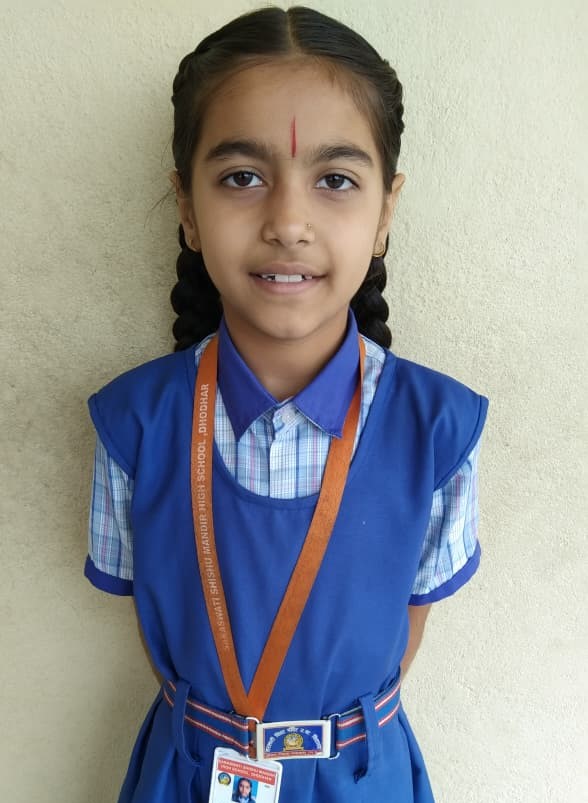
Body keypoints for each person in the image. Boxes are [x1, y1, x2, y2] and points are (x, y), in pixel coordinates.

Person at [85, 6, 488, 803]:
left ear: (386, 210)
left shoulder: (438, 429)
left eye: (335, 180)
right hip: (186, 773)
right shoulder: (133, 423)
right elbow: (158, 622)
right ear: (187, 207)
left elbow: (405, 617)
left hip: (362, 778)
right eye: (243, 177)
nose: (289, 223)